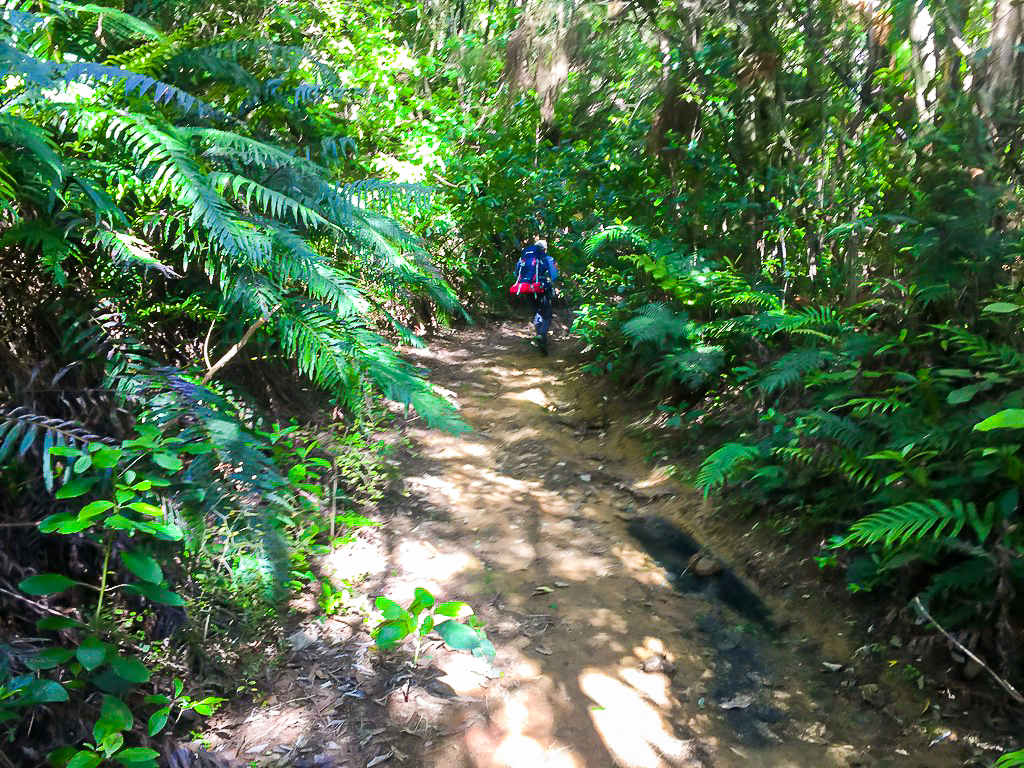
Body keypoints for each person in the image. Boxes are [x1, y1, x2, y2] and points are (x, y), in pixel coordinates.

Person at [512, 239, 558, 354]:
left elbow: (516, 273)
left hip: (527, 288)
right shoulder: (548, 258)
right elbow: (554, 276)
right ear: (545, 249)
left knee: (536, 312)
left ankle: (539, 337)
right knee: (546, 313)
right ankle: (542, 336)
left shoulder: (523, 259)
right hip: (542, 288)